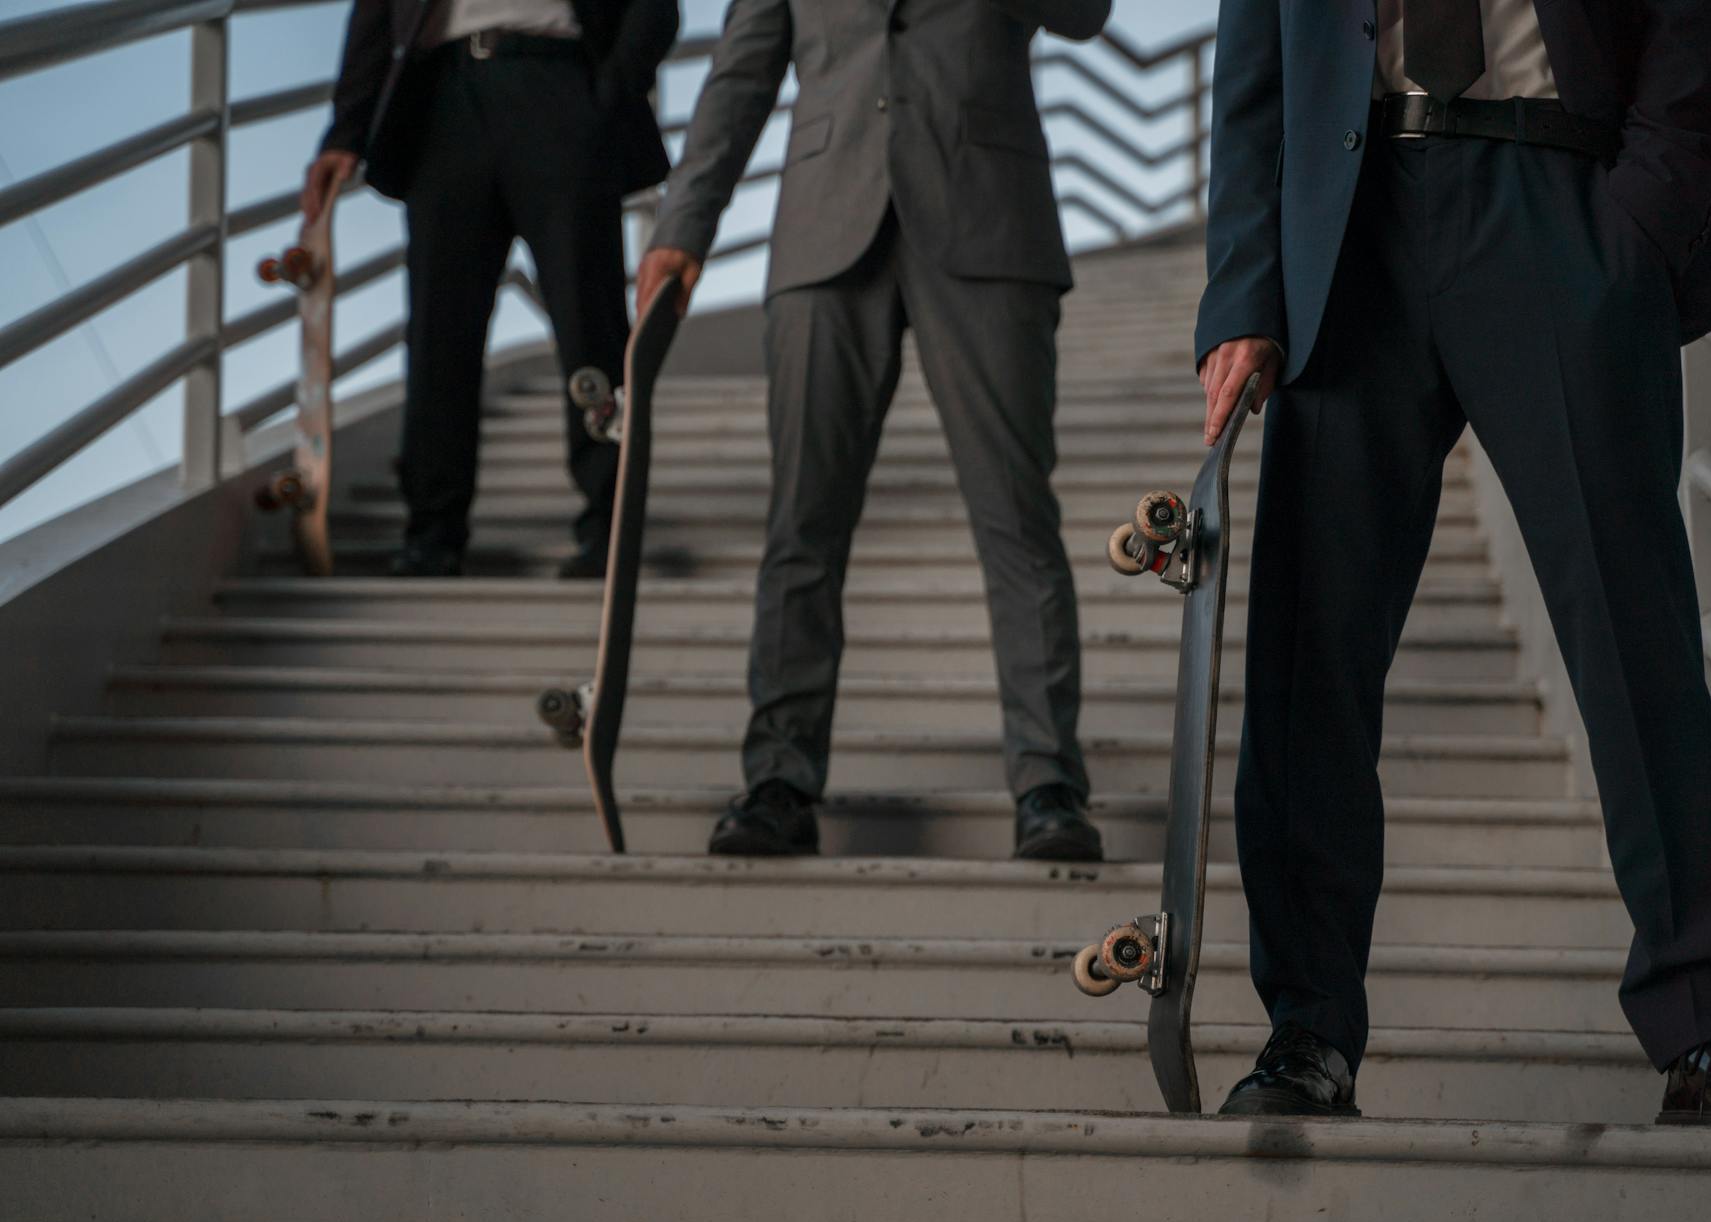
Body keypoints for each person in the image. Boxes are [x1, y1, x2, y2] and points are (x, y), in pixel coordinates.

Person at [1196, 0, 1711, 1127]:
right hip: (1349, 230)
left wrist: (1641, 217)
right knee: (1312, 658)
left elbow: (1701, 19)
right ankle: (1307, 1029)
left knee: (1634, 636)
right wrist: (1246, 289)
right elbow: (1256, 56)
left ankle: (1706, 1030)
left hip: (1560, 203)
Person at [636, 0, 1113, 862]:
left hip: (988, 219)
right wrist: (683, 224)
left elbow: (1086, 12)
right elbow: (740, 74)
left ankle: (1048, 782)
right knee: (800, 527)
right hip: (826, 225)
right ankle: (780, 780)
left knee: (1017, 519)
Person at [306, 0, 680, 579]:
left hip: (561, 81)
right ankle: (432, 532)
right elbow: (377, 10)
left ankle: (612, 524)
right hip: (443, 98)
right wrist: (345, 130)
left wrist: (610, 91)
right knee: (438, 332)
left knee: (591, 320)